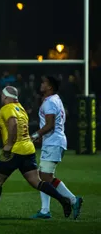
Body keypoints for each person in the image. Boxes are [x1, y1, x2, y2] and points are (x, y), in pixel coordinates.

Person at [0, 86, 72, 221]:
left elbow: (13, 123)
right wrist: (3, 131)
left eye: (2, 95)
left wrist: (9, 144)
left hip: (14, 151)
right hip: (28, 150)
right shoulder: (21, 108)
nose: (1, 98)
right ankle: (63, 199)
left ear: (6, 96)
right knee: (36, 181)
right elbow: (19, 125)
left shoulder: (6, 108)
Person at [31, 76, 83, 219]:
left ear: (50, 87)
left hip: (54, 142)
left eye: (44, 83)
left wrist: (36, 134)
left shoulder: (50, 102)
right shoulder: (56, 100)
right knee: (46, 176)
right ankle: (47, 209)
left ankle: (68, 202)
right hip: (55, 141)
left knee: (43, 177)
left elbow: (50, 124)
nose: (41, 84)